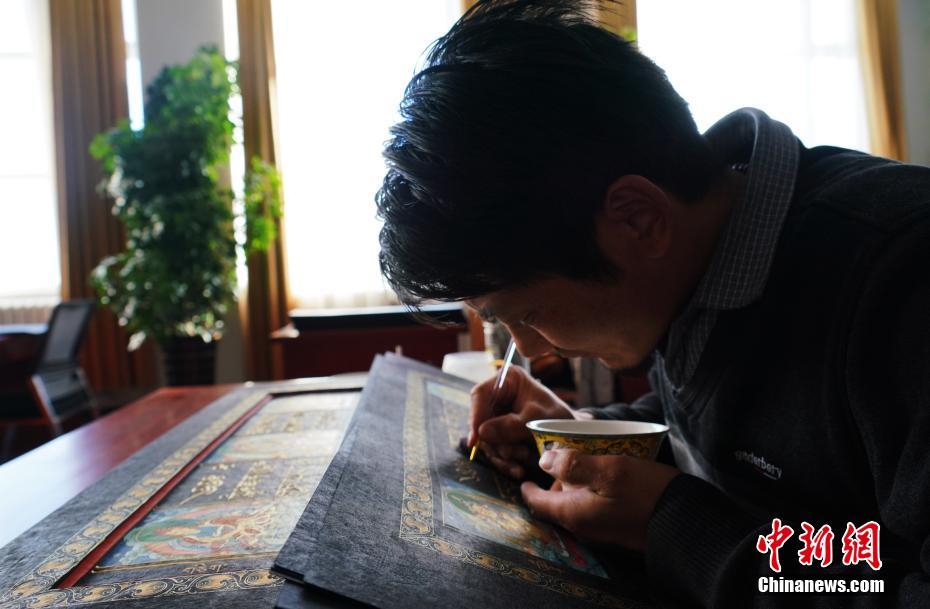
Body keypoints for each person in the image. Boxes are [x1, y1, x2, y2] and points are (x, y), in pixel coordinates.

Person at [375, 0, 930, 606]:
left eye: (527, 315)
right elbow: (735, 446)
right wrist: (583, 435)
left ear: (638, 220)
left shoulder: (903, 280)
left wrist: (677, 530)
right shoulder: (697, 261)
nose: (529, 349)